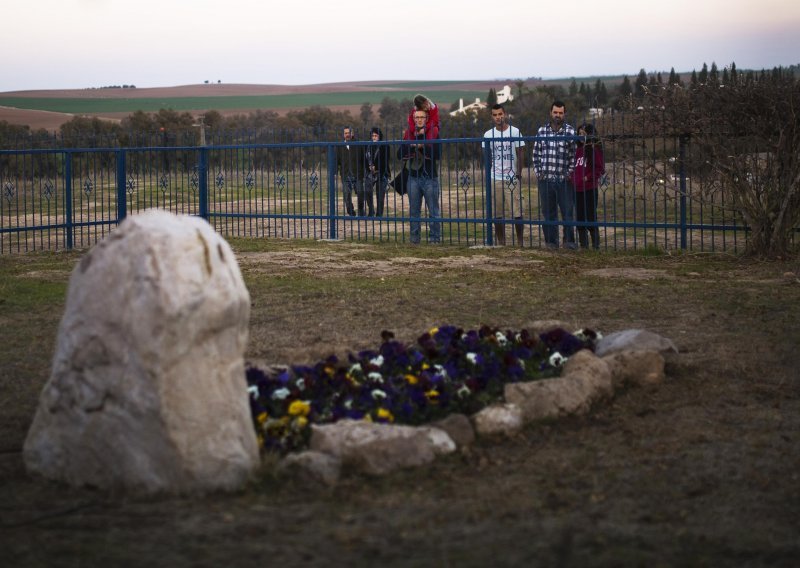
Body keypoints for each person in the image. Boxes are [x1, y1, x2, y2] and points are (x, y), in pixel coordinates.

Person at [532, 100, 577, 249]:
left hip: (564, 180)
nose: (558, 115)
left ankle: (569, 242)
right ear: (550, 113)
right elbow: (536, 154)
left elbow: (574, 156)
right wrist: (539, 173)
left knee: (567, 213)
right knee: (548, 213)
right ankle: (551, 242)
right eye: (555, 112)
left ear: (564, 114)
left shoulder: (570, 132)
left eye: (560, 113)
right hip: (546, 180)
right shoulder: (541, 131)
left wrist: (569, 173)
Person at [483, 103, 526, 246]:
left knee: (517, 212)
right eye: (495, 115)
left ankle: (520, 241)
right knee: (497, 212)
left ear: (505, 114)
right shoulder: (488, 135)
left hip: (512, 177)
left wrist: (518, 173)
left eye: (500, 114)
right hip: (495, 177)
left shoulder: (515, 132)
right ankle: (501, 242)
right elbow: (487, 156)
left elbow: (521, 152)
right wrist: (489, 174)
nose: (498, 117)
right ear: (492, 117)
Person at [398, 109, 441, 243]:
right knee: (414, 211)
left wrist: (423, 146)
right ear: (413, 119)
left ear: (427, 118)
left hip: (430, 177)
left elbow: (438, 154)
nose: (419, 120)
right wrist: (411, 145)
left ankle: (434, 239)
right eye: (417, 117)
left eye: (422, 117)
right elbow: (399, 154)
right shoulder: (409, 134)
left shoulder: (433, 133)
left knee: (433, 212)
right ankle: (414, 240)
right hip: (413, 178)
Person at [571, 123, 605, 249]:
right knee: (580, 217)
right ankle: (584, 245)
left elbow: (600, 169)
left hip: (590, 188)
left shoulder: (594, 150)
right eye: (579, 134)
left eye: (584, 134)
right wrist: (573, 179)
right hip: (577, 188)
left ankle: (595, 245)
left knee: (591, 216)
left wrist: (588, 177)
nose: (581, 136)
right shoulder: (578, 150)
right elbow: (574, 168)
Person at [335, 126, 368, 216]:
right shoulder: (339, 147)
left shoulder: (359, 145)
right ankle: (350, 211)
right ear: (343, 135)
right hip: (345, 175)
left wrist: (367, 171)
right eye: (345, 133)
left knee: (360, 193)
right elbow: (336, 161)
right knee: (346, 196)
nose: (347, 135)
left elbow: (364, 159)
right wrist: (335, 173)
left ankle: (361, 210)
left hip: (358, 174)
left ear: (352, 134)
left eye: (349, 133)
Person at [365, 127, 391, 217]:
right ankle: (371, 211)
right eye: (372, 136)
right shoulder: (368, 146)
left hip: (382, 172)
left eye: (376, 136)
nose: (374, 137)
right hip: (370, 173)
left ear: (380, 136)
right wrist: (369, 167)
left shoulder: (385, 145)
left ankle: (379, 214)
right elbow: (365, 159)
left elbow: (386, 160)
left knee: (380, 194)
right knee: (367, 190)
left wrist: (377, 167)